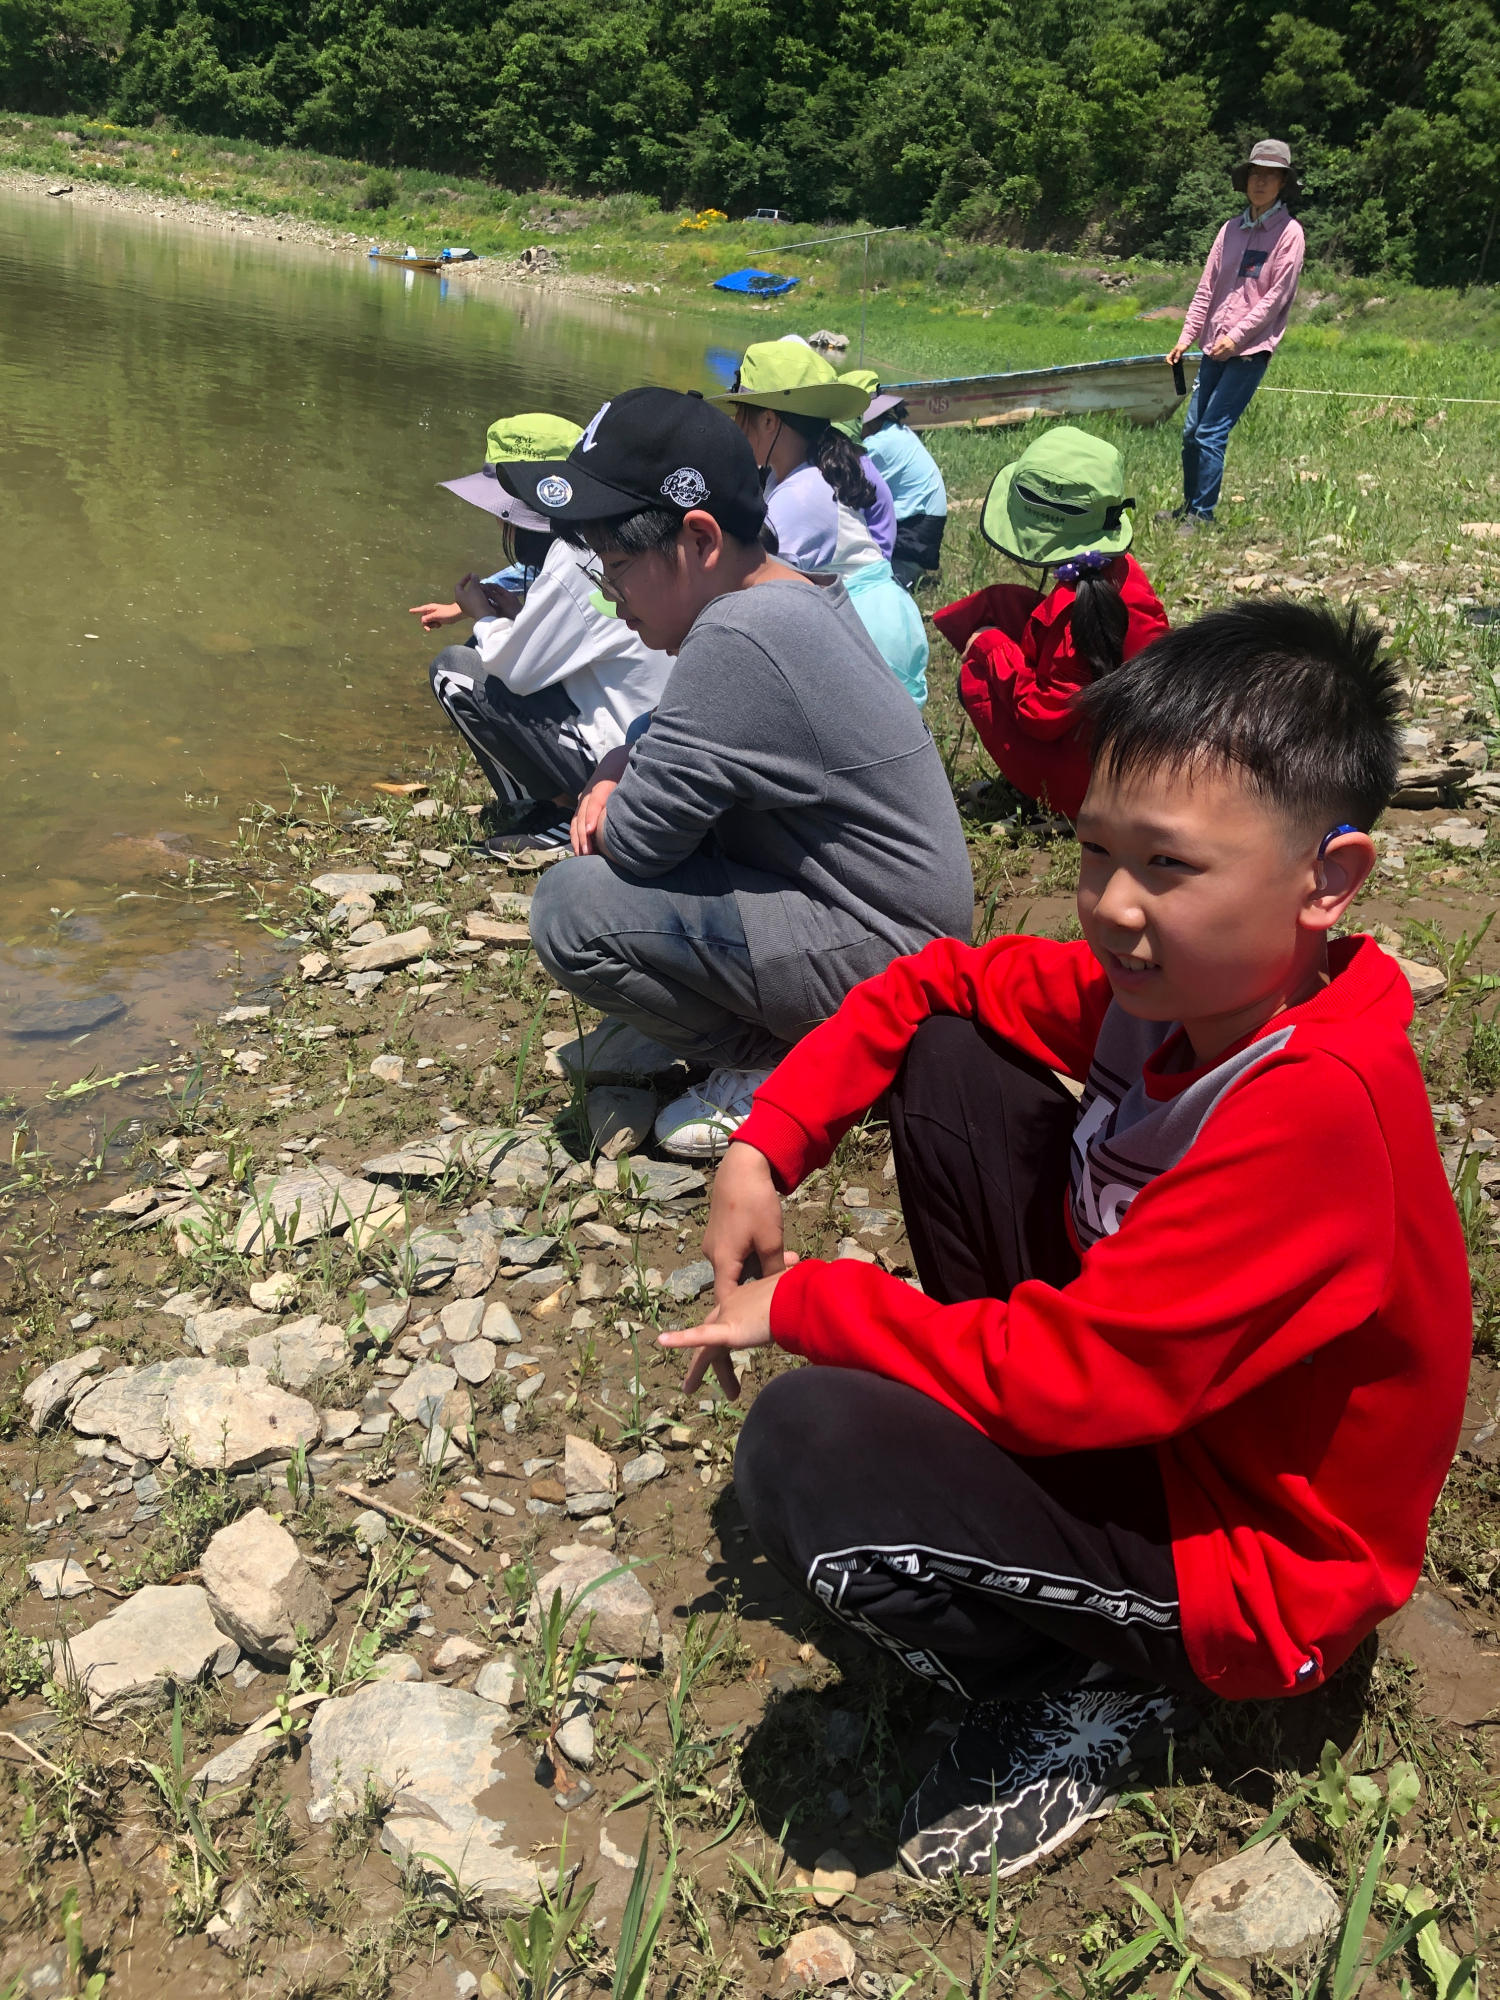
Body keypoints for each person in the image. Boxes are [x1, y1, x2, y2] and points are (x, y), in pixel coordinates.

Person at [662, 597, 1470, 1884]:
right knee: (950, 1055)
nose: (1112, 905)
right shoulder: (1172, 998)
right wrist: (769, 1139)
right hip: (1151, 1406)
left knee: (805, 1448)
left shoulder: (1317, 1107)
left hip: (1255, 1558)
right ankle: (1053, 1577)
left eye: (1170, 866)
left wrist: (817, 1303)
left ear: (1329, 879)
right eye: (1096, 851)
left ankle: (1093, 1683)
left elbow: (1071, 1376)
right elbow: (932, 981)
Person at [500, 387, 974, 1157]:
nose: (613, 599)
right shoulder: (791, 592)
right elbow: (688, 741)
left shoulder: (737, 636)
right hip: (903, 935)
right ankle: (794, 1031)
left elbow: (638, 845)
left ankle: (786, 1064)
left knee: (573, 908)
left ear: (698, 538)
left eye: (617, 567)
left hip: (886, 962)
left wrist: (606, 784)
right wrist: (626, 757)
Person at [411, 414, 674, 860]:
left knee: (456, 668)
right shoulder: (603, 538)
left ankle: (555, 811)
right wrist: (515, 615)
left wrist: (479, 613)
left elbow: (515, 672)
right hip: (648, 742)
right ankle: (557, 802)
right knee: (486, 648)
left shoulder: (571, 556)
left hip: (620, 760)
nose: (500, 523)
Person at [940, 427, 1167, 819]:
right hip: (1129, 752)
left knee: (976, 672)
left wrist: (990, 647)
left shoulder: (1080, 616)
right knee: (1004, 604)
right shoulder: (1118, 575)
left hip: (1099, 782)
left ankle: (1047, 801)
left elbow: (1041, 714)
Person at [711, 341, 931, 706]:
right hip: (860, 621)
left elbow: (743, 584)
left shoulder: (801, 495)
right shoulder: (791, 477)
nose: (735, 426)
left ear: (768, 420)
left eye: (740, 414)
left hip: (870, 632)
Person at [1163, 139, 1306, 534]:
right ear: (1245, 181)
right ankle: (1188, 507)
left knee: (1211, 432)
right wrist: (1186, 337)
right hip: (1214, 345)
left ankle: (1202, 517)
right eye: (1254, 174)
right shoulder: (1229, 229)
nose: (1260, 182)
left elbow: (1276, 297)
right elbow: (1207, 288)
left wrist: (1239, 336)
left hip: (1249, 351)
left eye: (1270, 176)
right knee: (1191, 432)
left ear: (1282, 184)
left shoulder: (1290, 234)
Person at [858, 387, 949, 589]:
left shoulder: (880, 445)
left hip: (914, 532)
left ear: (869, 420)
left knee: (871, 584)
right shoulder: (895, 431)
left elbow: (846, 484)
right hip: (923, 525)